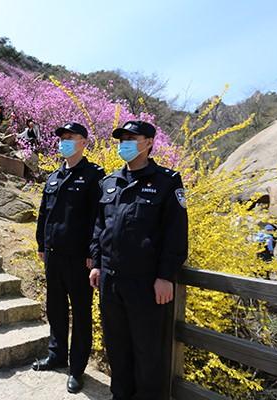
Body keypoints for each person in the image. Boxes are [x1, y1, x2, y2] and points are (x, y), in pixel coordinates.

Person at [89, 120, 188, 400]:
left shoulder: (167, 182)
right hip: (110, 280)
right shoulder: (109, 182)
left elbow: (176, 233)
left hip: (145, 284)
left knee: (147, 350)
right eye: (122, 139)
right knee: (116, 345)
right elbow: (99, 227)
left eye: (133, 138)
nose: (125, 144)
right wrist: (97, 263)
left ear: (148, 143)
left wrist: (166, 275)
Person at [33, 122, 105, 394]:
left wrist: (93, 254)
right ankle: (57, 355)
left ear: (83, 142)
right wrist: (41, 243)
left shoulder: (93, 175)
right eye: (62, 138)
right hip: (53, 255)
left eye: (70, 137)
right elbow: (44, 214)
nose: (64, 142)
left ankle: (77, 369)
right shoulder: (54, 177)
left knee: (81, 314)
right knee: (56, 308)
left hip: (80, 260)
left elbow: (100, 218)